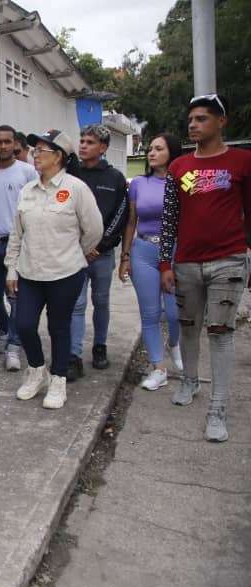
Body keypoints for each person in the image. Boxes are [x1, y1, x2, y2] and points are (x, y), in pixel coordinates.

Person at [160, 94, 251, 443]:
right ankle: (190, 380)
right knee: (188, 327)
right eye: (190, 120)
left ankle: (218, 409)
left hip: (229, 260)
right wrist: (165, 263)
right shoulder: (178, 167)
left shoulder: (242, 162)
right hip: (186, 263)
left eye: (201, 119)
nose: (193, 125)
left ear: (221, 121)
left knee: (221, 333)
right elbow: (170, 220)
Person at [5, 130, 103, 409]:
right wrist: (12, 268)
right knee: (24, 324)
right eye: (34, 150)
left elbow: (94, 230)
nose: (35, 155)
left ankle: (58, 380)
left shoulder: (76, 189)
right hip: (30, 273)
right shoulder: (28, 190)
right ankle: (37, 371)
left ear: (59, 156)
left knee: (59, 327)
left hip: (65, 273)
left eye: (42, 151)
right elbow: (17, 234)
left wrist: (76, 253)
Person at [118, 133, 184, 390]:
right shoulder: (139, 183)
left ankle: (174, 343)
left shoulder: (182, 181)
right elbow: (131, 221)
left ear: (172, 152)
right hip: (143, 250)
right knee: (150, 313)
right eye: (150, 149)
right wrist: (125, 256)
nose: (152, 153)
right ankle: (158, 368)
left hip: (175, 251)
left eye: (158, 149)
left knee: (174, 313)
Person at [67, 124, 129, 380]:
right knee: (76, 304)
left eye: (90, 142)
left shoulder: (114, 178)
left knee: (101, 301)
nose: (83, 145)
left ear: (103, 148)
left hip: (102, 255)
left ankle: (100, 346)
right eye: (81, 141)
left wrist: (100, 246)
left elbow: (120, 216)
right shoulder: (71, 173)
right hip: (74, 253)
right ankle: (73, 356)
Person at [0, 125, 39, 372]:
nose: (3, 146)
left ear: (15, 144)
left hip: (18, 245)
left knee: (17, 296)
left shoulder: (28, 172)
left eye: (7, 142)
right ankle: (3, 329)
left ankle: (13, 345)